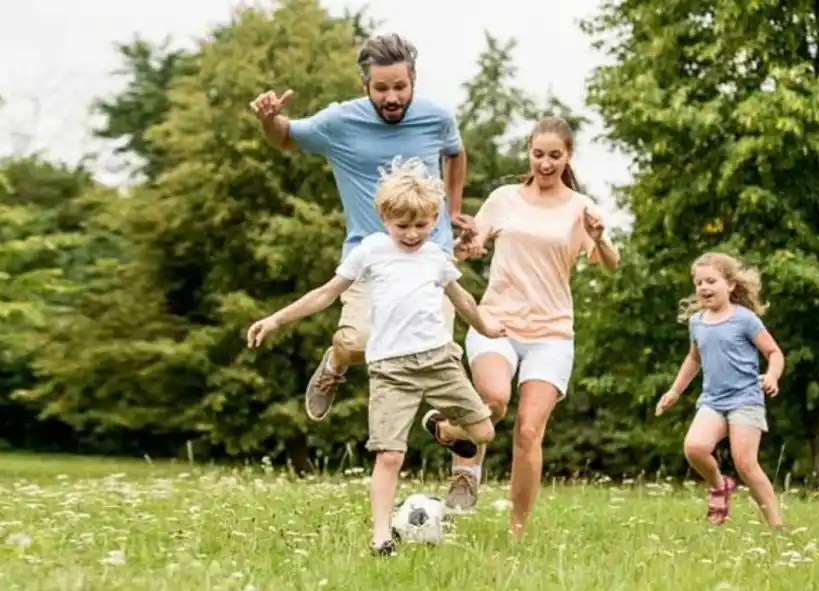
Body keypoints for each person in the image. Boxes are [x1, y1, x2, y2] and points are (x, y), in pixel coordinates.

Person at [246, 157, 503, 555]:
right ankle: (381, 536)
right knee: (390, 454)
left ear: (435, 218)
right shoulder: (372, 251)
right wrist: (276, 320)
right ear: (384, 217)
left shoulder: (437, 257)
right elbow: (325, 294)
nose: (413, 234)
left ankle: (442, 428)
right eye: (403, 226)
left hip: (439, 362)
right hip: (391, 370)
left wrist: (487, 328)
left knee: (484, 432)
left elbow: (463, 299)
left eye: (422, 225)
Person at [248, 33, 476, 422]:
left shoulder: (437, 117)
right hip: (367, 259)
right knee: (358, 344)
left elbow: (455, 152)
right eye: (381, 88)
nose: (392, 98)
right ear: (364, 85)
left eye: (400, 87)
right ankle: (336, 362)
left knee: (445, 359)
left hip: (430, 258)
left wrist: (453, 210)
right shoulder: (339, 122)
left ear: (413, 82)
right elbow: (284, 137)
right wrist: (269, 119)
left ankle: (462, 474)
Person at [449, 117, 620, 536]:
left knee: (529, 430)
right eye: (538, 154)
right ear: (529, 151)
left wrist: (597, 238)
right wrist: (467, 245)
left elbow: (613, 264)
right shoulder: (504, 198)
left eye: (554, 156)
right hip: (498, 322)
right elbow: (471, 245)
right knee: (493, 398)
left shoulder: (581, 209)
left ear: (568, 157)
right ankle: (462, 459)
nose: (545, 163)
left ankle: (517, 529)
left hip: (552, 334)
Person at [655, 252, 785, 528]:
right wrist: (675, 392)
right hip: (713, 400)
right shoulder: (697, 322)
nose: (703, 287)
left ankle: (776, 525)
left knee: (746, 463)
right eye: (699, 282)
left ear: (731, 285)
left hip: (746, 398)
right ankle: (719, 485)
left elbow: (774, 352)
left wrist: (772, 376)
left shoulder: (745, 319)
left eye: (711, 281)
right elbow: (694, 358)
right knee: (694, 447)